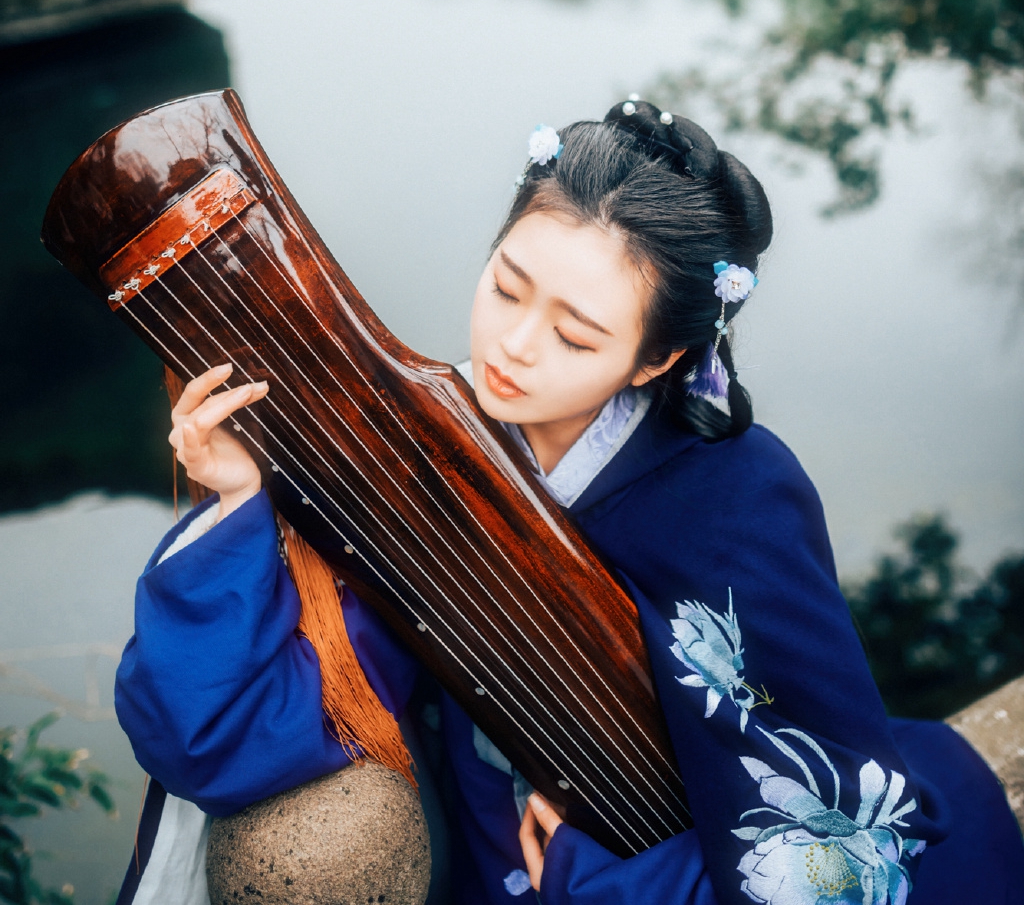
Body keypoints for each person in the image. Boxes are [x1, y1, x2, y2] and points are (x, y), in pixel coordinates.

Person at [114, 101, 1024, 904]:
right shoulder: (427, 451)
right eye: (506, 285)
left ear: (656, 361)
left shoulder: (737, 503)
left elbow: (842, 857)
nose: (511, 346)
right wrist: (239, 502)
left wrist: (598, 885)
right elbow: (215, 740)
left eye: (576, 334)